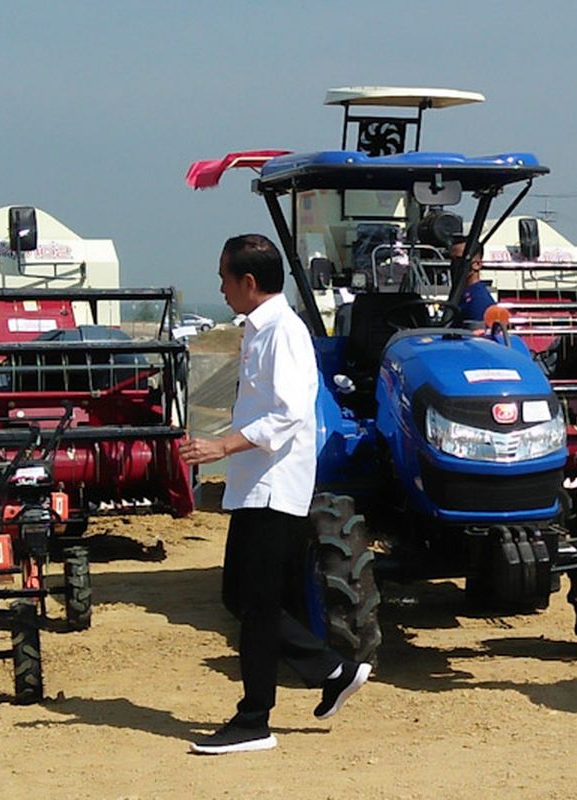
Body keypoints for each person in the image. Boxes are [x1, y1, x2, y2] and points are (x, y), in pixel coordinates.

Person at [179, 234, 370, 755]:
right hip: (253, 483)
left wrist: (221, 445)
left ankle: (254, 719)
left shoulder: (283, 331)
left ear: (247, 282)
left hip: (273, 485)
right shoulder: (260, 330)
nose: (219, 290)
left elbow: (287, 413)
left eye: (223, 279)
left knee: (258, 605)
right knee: (240, 598)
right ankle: (332, 670)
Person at [450, 237, 495, 321]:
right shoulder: (460, 295)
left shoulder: (479, 302)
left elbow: (477, 332)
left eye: (460, 260)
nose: (454, 265)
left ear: (477, 264)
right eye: (452, 260)